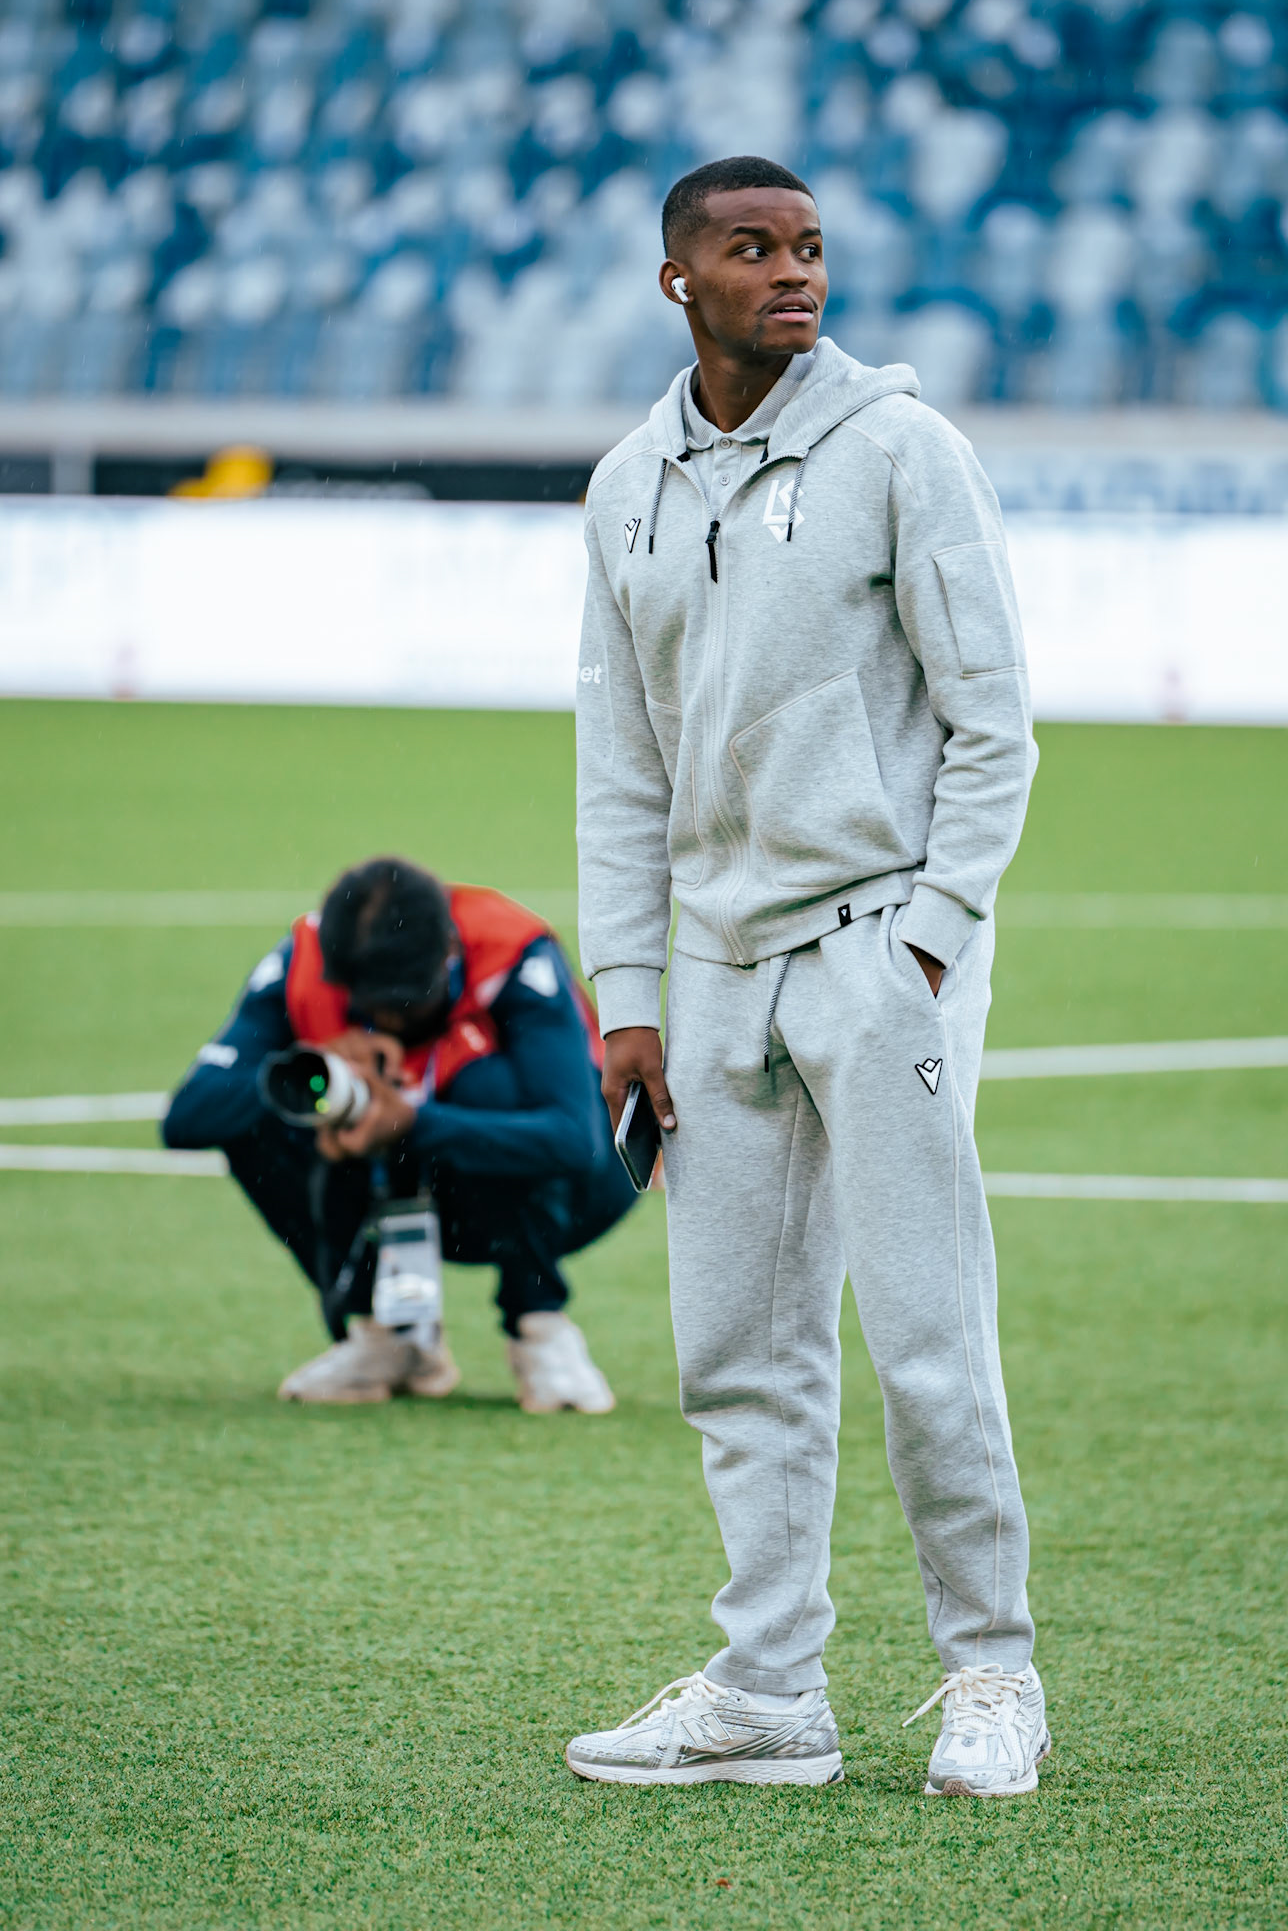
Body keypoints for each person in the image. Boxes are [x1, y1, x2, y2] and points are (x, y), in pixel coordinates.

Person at [567, 157, 1048, 1795]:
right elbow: (620, 764)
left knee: (928, 1334)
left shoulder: (907, 449)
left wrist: (929, 937)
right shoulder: (626, 483)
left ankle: (993, 1671)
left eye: (812, 248)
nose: (794, 274)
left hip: (877, 957)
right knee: (738, 1349)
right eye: (751, 249)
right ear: (676, 281)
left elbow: (995, 721)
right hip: (708, 975)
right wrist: (628, 991)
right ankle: (771, 1692)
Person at [163, 857, 634, 1412]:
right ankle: (389, 1337)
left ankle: (540, 1327)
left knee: (490, 1088)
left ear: (449, 954)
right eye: (371, 1006)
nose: (389, 1021)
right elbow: (187, 1118)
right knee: (260, 1113)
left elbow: (573, 1139)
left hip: (584, 1191)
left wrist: (411, 1121)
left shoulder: (509, 948)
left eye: (409, 1002)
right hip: (405, 1187)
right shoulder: (305, 960)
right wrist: (311, 1068)